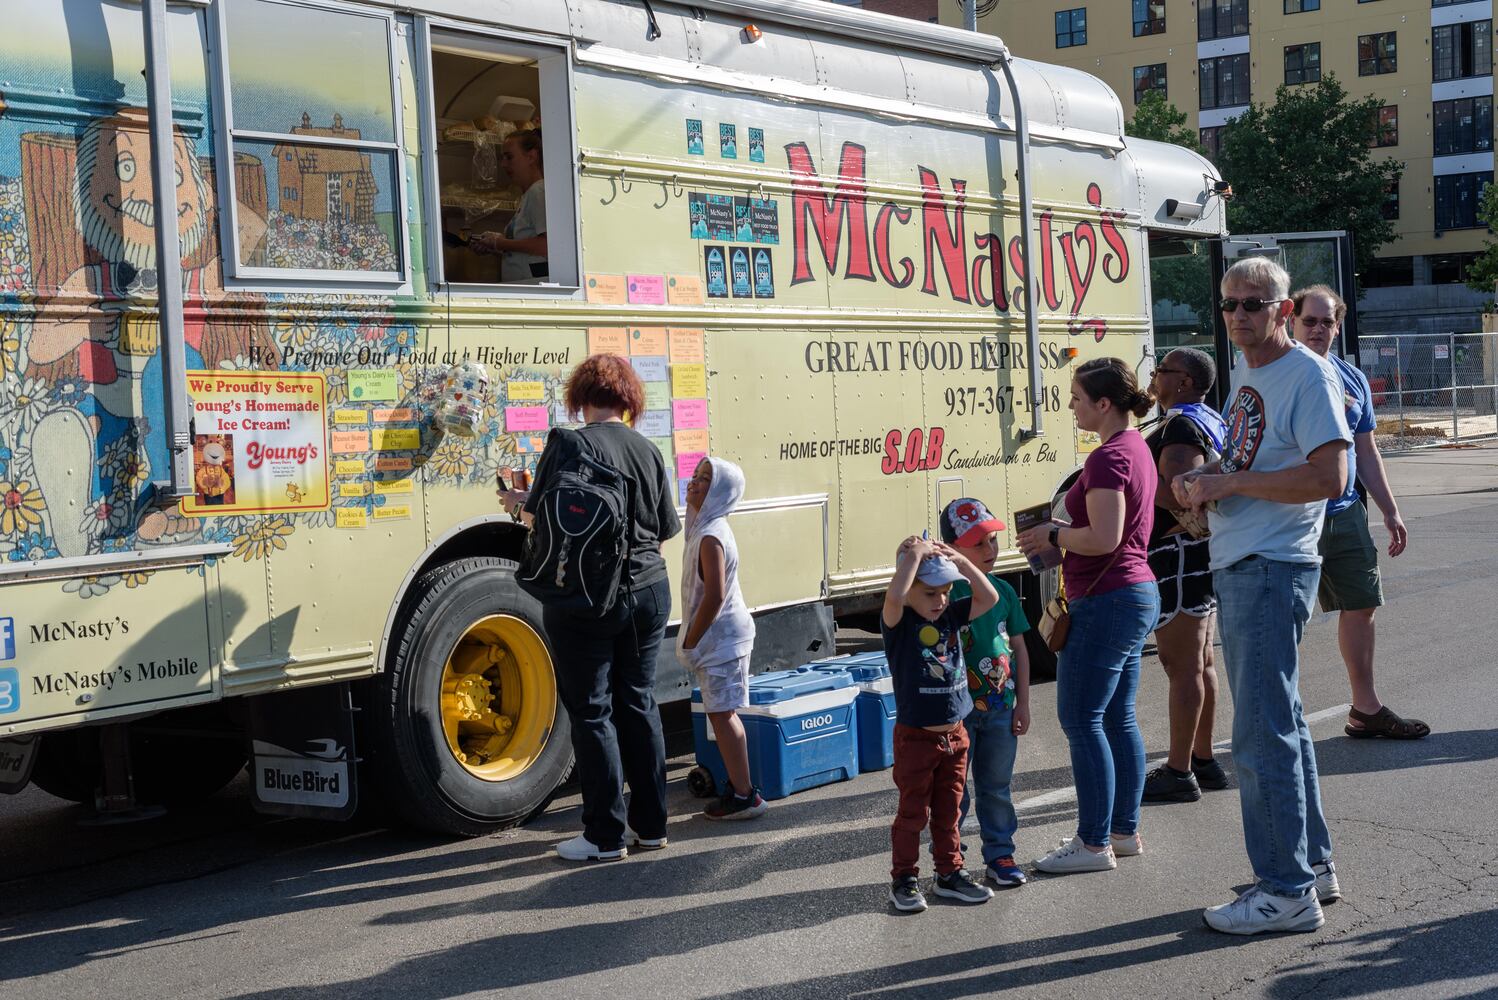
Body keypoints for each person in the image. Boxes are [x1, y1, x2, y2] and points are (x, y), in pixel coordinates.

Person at [1174, 257, 1351, 934]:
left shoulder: (1305, 373)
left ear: (1284, 309)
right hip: (1250, 559)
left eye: (1255, 303)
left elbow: (1331, 476)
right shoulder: (1253, 371)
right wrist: (1210, 481)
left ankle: (1284, 892)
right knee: (1285, 724)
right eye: (1230, 304)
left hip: (1271, 564)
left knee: (1259, 734)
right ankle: (1309, 868)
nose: (1240, 314)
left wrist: (1228, 487)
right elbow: (1254, 457)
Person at [498, 354, 681, 862]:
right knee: (639, 701)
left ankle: (604, 836)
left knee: (593, 711)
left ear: (581, 397)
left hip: (585, 596)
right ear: (629, 400)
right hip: (648, 589)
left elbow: (538, 517)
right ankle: (652, 827)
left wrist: (514, 501)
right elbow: (664, 529)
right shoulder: (647, 450)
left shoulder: (568, 444)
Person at [1018, 358, 1159, 875]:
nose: (1071, 406)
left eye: (1077, 398)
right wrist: (1058, 535)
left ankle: (1094, 842)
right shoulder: (1135, 447)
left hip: (1109, 598)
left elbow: (1104, 538)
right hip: (1133, 592)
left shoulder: (1107, 457)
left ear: (1103, 404)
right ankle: (1122, 832)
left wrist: (1053, 535)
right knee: (1117, 717)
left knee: (1082, 719)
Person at [1291, 285, 1427, 741]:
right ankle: (1278, 714)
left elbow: (1366, 450)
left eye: (1326, 321)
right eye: (1309, 320)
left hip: (1345, 512)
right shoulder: (1276, 373)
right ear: (1291, 321)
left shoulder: (1351, 379)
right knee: (1285, 615)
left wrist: (1390, 510)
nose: (1317, 329)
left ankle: (1365, 709)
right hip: (1292, 515)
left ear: (1338, 324)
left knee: (1362, 604)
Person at [881, 535, 998, 912]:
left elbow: (989, 599)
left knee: (950, 811)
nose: (940, 601)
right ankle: (904, 879)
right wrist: (911, 559)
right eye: (930, 593)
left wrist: (962, 565)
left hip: (955, 734)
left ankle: (949, 873)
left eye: (945, 592)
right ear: (911, 586)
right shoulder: (899, 624)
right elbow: (894, 597)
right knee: (913, 813)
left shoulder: (949, 615)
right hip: (917, 738)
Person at [1141, 349, 1230, 803]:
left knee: (1182, 666)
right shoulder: (1210, 418)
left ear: (1185, 382)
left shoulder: (1178, 425)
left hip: (1177, 554)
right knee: (1201, 663)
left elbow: (1181, 491)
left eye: (1162, 371)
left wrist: (1130, 483)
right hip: (1199, 552)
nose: (1154, 377)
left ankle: (1179, 771)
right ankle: (1203, 759)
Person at [940, 497, 1032, 888]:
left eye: (991, 541)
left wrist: (1023, 702)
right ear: (954, 551)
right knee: (954, 791)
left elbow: (1019, 648)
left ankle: (1000, 854)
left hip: (999, 708)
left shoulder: (1004, 592)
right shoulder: (943, 594)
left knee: (996, 786)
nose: (989, 550)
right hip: (958, 713)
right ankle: (951, 861)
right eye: (978, 544)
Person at [678, 456, 766, 820]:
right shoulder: (705, 527)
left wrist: (690, 641)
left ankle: (745, 795)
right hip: (720, 638)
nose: (695, 483)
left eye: (706, 479)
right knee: (719, 713)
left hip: (722, 638)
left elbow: (715, 595)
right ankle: (741, 788)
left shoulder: (711, 535)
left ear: (721, 492)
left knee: (722, 714)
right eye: (696, 475)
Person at [472, 129, 548, 282]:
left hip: (533, 287)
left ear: (531, 157)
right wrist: (495, 247)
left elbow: (545, 246)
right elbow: (524, 254)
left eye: (509, 157)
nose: (504, 164)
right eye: (502, 158)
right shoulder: (528, 195)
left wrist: (500, 242)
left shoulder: (538, 191)